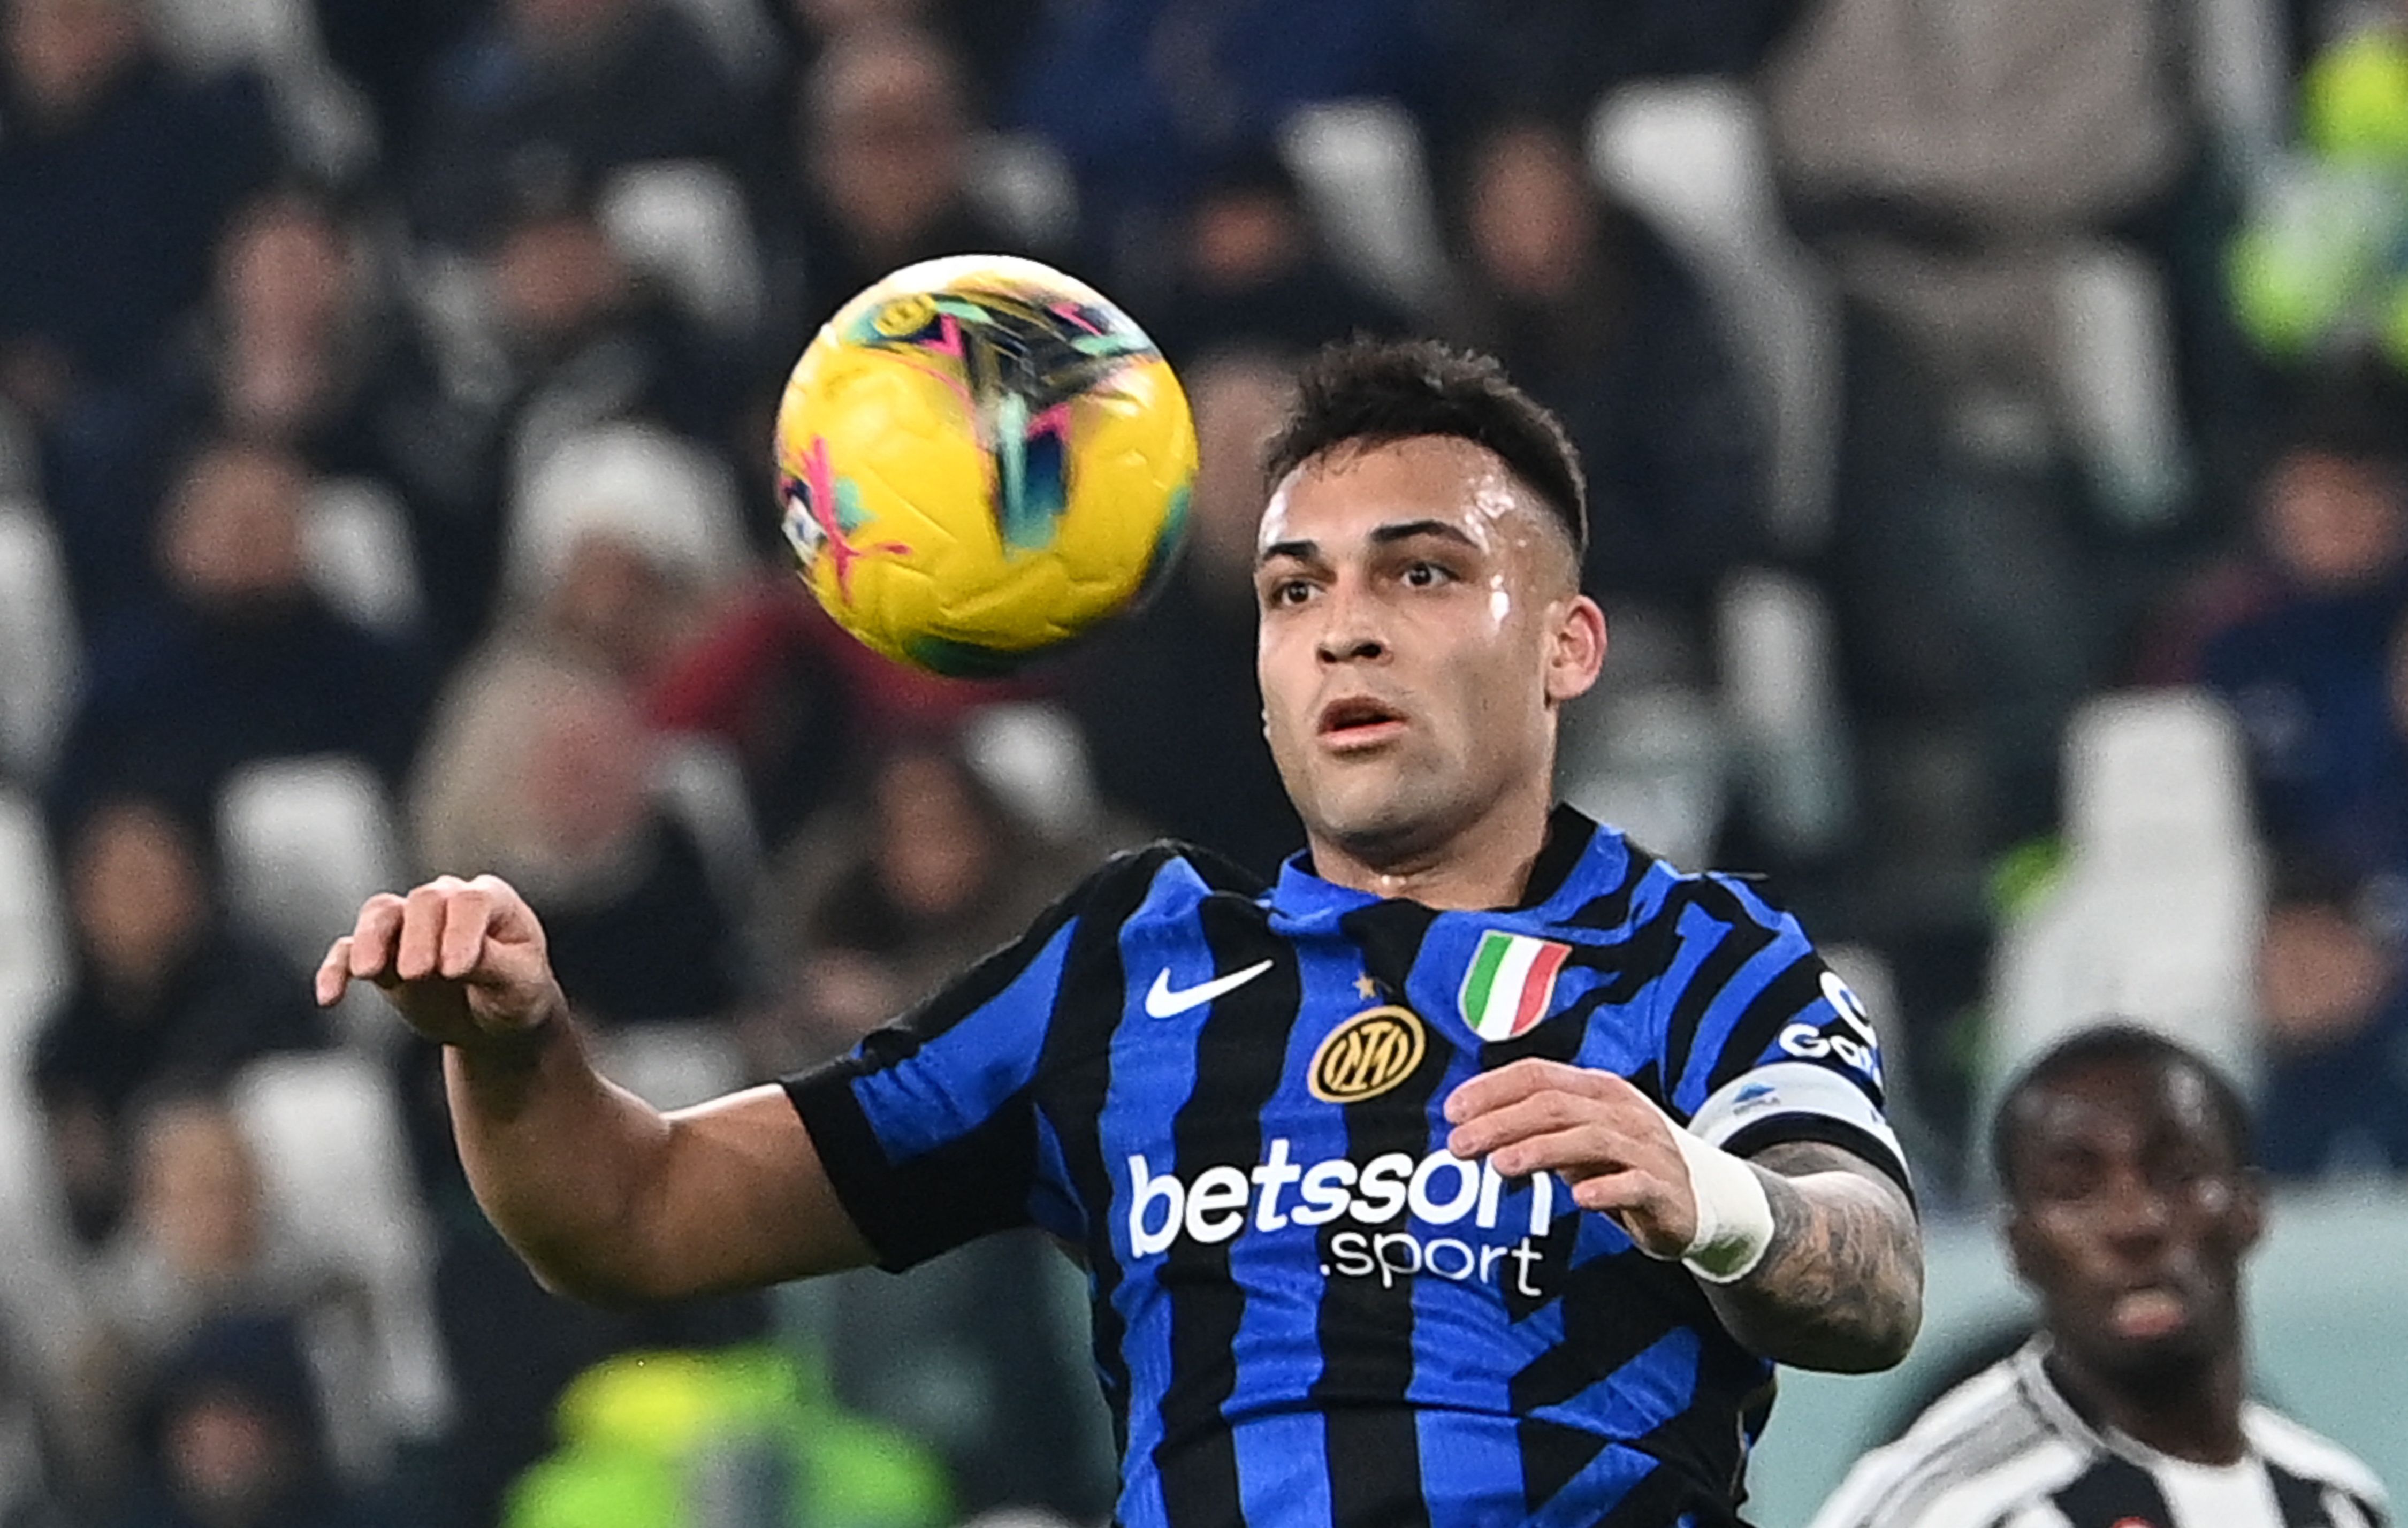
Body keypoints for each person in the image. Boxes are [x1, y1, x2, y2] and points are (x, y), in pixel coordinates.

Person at [318, 338, 1924, 1525]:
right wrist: (514, 1044)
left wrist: (1713, 1200)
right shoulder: (1130, 964)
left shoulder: (1702, 955)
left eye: (1423, 572)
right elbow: (634, 1214)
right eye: (1294, 591)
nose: (1345, 623)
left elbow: (1872, 1272)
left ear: (1569, 647)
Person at [1808, 1025, 2389, 1528]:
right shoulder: (1944, 1504)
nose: (2135, 1222)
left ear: (2249, 1209)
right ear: (2019, 1244)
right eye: (2075, 1189)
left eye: (2179, 1173)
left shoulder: (2335, 1501)